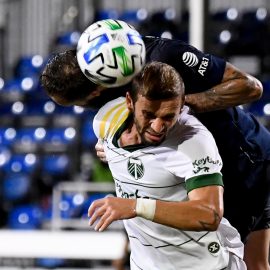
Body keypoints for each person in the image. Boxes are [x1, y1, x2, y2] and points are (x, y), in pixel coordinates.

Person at [41, 36, 270, 270]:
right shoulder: (108, 111)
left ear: (94, 91)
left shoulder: (162, 57)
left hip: (242, 158)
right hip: (191, 170)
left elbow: (251, 87)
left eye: (79, 104)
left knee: (242, 260)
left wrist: (178, 105)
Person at [88, 61, 246, 269]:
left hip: (204, 264)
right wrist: (108, 151)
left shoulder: (193, 142)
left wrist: (136, 206)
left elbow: (210, 215)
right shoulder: (106, 120)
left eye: (168, 117)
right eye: (149, 114)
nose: (157, 126)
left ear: (181, 108)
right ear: (129, 102)